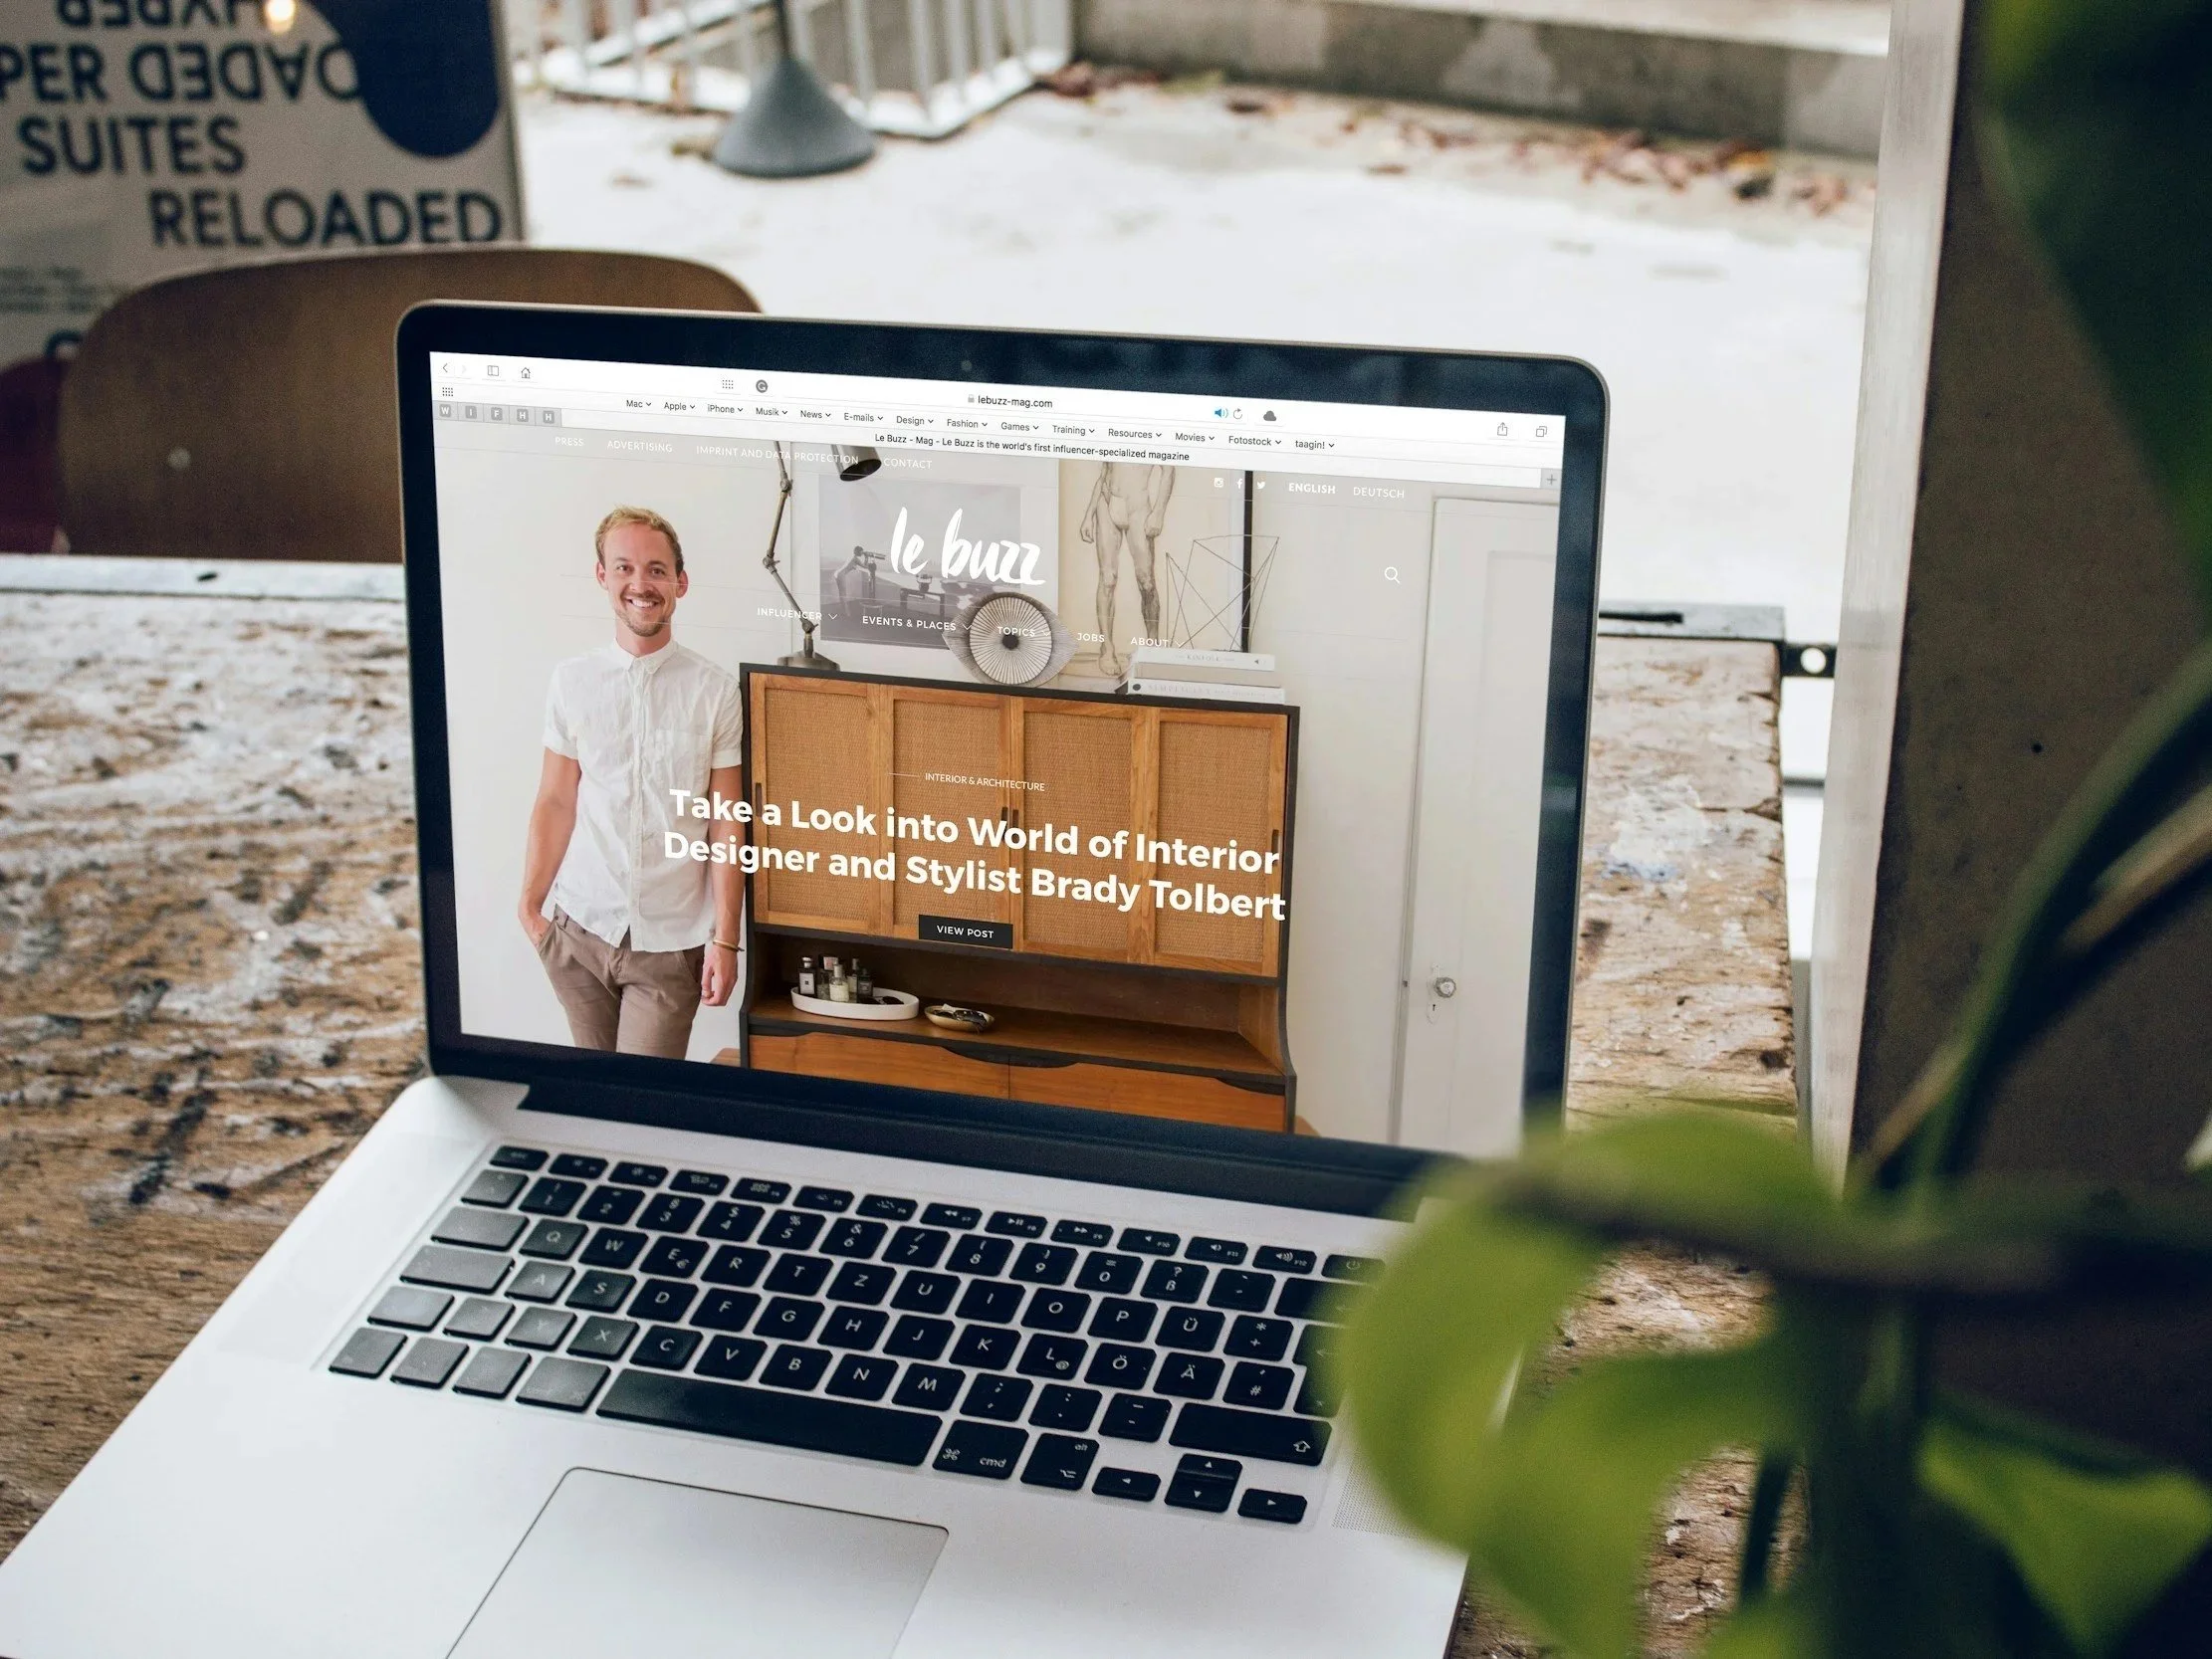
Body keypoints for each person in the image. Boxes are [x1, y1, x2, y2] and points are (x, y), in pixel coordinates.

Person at [518, 506, 743, 1057]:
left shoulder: (714, 691)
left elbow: (727, 823)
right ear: (602, 577)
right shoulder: (571, 681)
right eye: (624, 568)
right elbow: (555, 800)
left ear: (680, 582)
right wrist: (531, 908)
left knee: (649, 1102)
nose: (640, 584)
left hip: (671, 945)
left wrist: (726, 940)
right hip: (577, 930)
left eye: (656, 570)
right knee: (594, 1102)